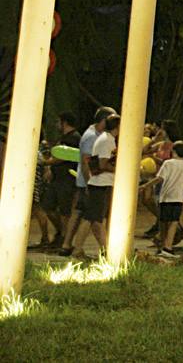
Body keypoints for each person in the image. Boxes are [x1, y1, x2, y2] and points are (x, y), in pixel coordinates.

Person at [59, 106, 115, 257]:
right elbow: (86, 162)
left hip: (90, 181)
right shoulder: (92, 136)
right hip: (90, 181)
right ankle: (77, 247)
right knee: (90, 216)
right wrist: (90, 183)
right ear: (104, 120)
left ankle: (69, 245)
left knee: (87, 215)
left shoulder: (97, 135)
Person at [41, 112, 81, 251]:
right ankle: (60, 233)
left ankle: (64, 238)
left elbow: (62, 157)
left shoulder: (74, 138)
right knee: (48, 206)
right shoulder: (64, 137)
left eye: (59, 122)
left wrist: (45, 162)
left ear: (65, 122)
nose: (57, 125)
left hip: (67, 179)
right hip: (57, 178)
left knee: (65, 211)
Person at [148, 140, 183, 257]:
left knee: (163, 222)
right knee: (174, 222)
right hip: (178, 198)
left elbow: (159, 178)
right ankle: (168, 247)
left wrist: (145, 186)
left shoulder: (168, 163)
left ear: (174, 151)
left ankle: (162, 245)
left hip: (166, 197)